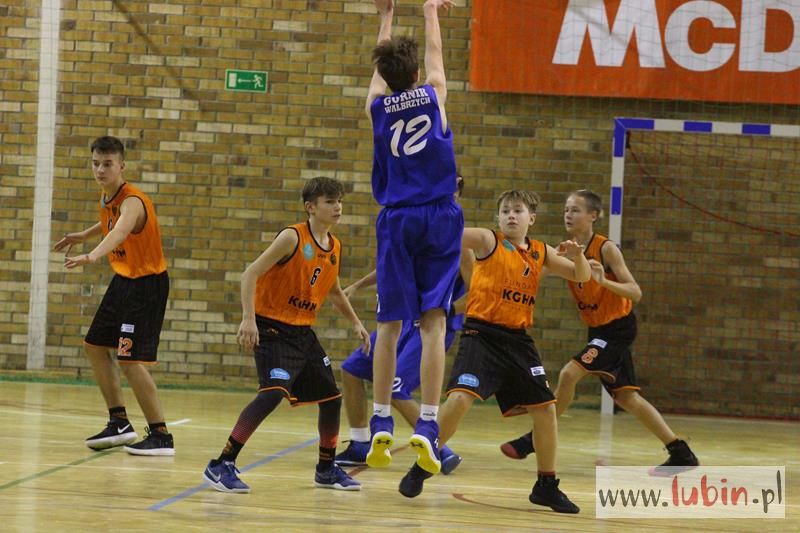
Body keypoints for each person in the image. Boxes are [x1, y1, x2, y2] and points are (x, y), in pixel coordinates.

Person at [398, 190, 590, 514]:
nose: (511, 215)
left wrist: (578, 256)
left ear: (531, 218)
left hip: (518, 341)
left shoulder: (541, 251)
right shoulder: (489, 241)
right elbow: (450, 236)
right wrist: (429, 218)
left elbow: (581, 276)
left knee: (546, 409)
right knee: (460, 399)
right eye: (505, 211)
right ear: (498, 218)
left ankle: (546, 485)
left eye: (518, 210)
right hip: (481, 335)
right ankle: (423, 466)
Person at [500, 190, 699, 476]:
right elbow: (533, 275)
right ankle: (681, 452)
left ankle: (532, 440)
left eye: (575, 210)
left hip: (617, 328)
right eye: (566, 209)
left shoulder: (606, 249)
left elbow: (635, 292)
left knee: (569, 374)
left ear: (593, 216)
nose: (568, 215)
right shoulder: (565, 251)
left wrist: (603, 281)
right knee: (627, 398)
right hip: (597, 329)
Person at [202, 177, 371, 493]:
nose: (337, 207)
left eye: (339, 201)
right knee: (272, 393)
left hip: (302, 332)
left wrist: (356, 322)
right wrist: (248, 319)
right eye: (330, 202)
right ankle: (221, 463)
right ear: (311, 207)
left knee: (331, 399)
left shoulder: (334, 246)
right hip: (271, 328)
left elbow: (334, 290)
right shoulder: (292, 237)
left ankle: (326, 469)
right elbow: (250, 274)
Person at [365, 0, 462, 476]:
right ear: (418, 73)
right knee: (433, 323)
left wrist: (386, 16)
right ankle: (426, 422)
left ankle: (381, 416)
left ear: (385, 76)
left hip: (397, 217)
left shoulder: (377, 108)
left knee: (388, 324)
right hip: (440, 215)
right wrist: (430, 10)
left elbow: (378, 80)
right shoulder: (434, 94)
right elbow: (437, 55)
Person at [336, 176, 468, 474]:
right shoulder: (416, 222)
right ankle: (360, 443)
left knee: (396, 387)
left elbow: (479, 294)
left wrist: (446, 310)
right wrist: (358, 285)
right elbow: (392, 266)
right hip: (403, 316)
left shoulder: (459, 238)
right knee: (352, 369)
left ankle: (439, 447)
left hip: (430, 322)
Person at [53, 135, 174, 455]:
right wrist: (84, 234)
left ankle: (161, 435)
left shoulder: (133, 201)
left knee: (130, 360)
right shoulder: (108, 197)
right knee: (94, 345)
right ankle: (119, 421)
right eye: (96, 164)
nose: (100, 170)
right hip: (124, 280)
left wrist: (92, 255)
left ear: (122, 166)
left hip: (147, 284)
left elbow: (121, 229)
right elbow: (109, 221)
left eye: (107, 164)